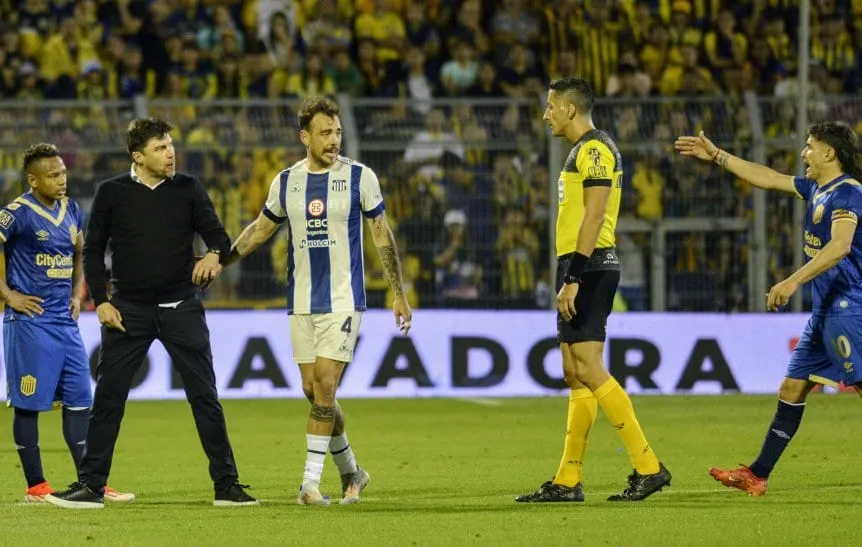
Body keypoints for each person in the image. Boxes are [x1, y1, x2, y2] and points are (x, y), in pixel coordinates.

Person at [45, 117, 256, 509]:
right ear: (138, 157)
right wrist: (100, 300)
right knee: (109, 399)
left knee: (205, 398)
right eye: (160, 148)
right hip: (129, 311)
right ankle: (91, 485)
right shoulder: (113, 193)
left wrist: (213, 254)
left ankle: (227, 486)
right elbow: (92, 250)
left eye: (171, 145)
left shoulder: (189, 188)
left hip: (182, 308)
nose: (171, 152)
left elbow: (219, 236)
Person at [225, 96, 412, 505]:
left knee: (326, 384)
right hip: (303, 302)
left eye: (338, 132)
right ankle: (353, 472)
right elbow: (260, 229)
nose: (334, 140)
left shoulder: (361, 177)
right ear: (304, 137)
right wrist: (222, 261)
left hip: (345, 300)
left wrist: (398, 293)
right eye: (325, 133)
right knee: (314, 393)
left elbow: (381, 233)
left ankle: (308, 484)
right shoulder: (286, 181)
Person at [675, 123, 862, 496]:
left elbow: (841, 246)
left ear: (830, 153)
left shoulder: (848, 195)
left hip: (849, 309)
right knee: (792, 387)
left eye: (810, 147)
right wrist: (717, 155)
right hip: (825, 310)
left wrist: (793, 281)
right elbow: (769, 178)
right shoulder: (816, 188)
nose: (804, 153)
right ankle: (757, 475)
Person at [516, 77, 671, 503]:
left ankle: (648, 466)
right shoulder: (581, 150)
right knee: (574, 370)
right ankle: (568, 480)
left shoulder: (595, 149)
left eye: (551, 106)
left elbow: (595, 216)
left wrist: (573, 277)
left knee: (587, 366)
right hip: (577, 263)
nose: (546, 113)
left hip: (591, 264)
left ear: (570, 109)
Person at [0, 144, 134, 504]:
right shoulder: (16, 213)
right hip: (29, 322)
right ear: (33, 179)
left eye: (63, 173)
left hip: (65, 322)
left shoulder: (72, 209)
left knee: (79, 403)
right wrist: (7, 295)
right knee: (29, 404)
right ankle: (36, 487)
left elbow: (79, 252)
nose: (63, 180)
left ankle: (91, 483)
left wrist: (78, 294)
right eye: (54, 175)